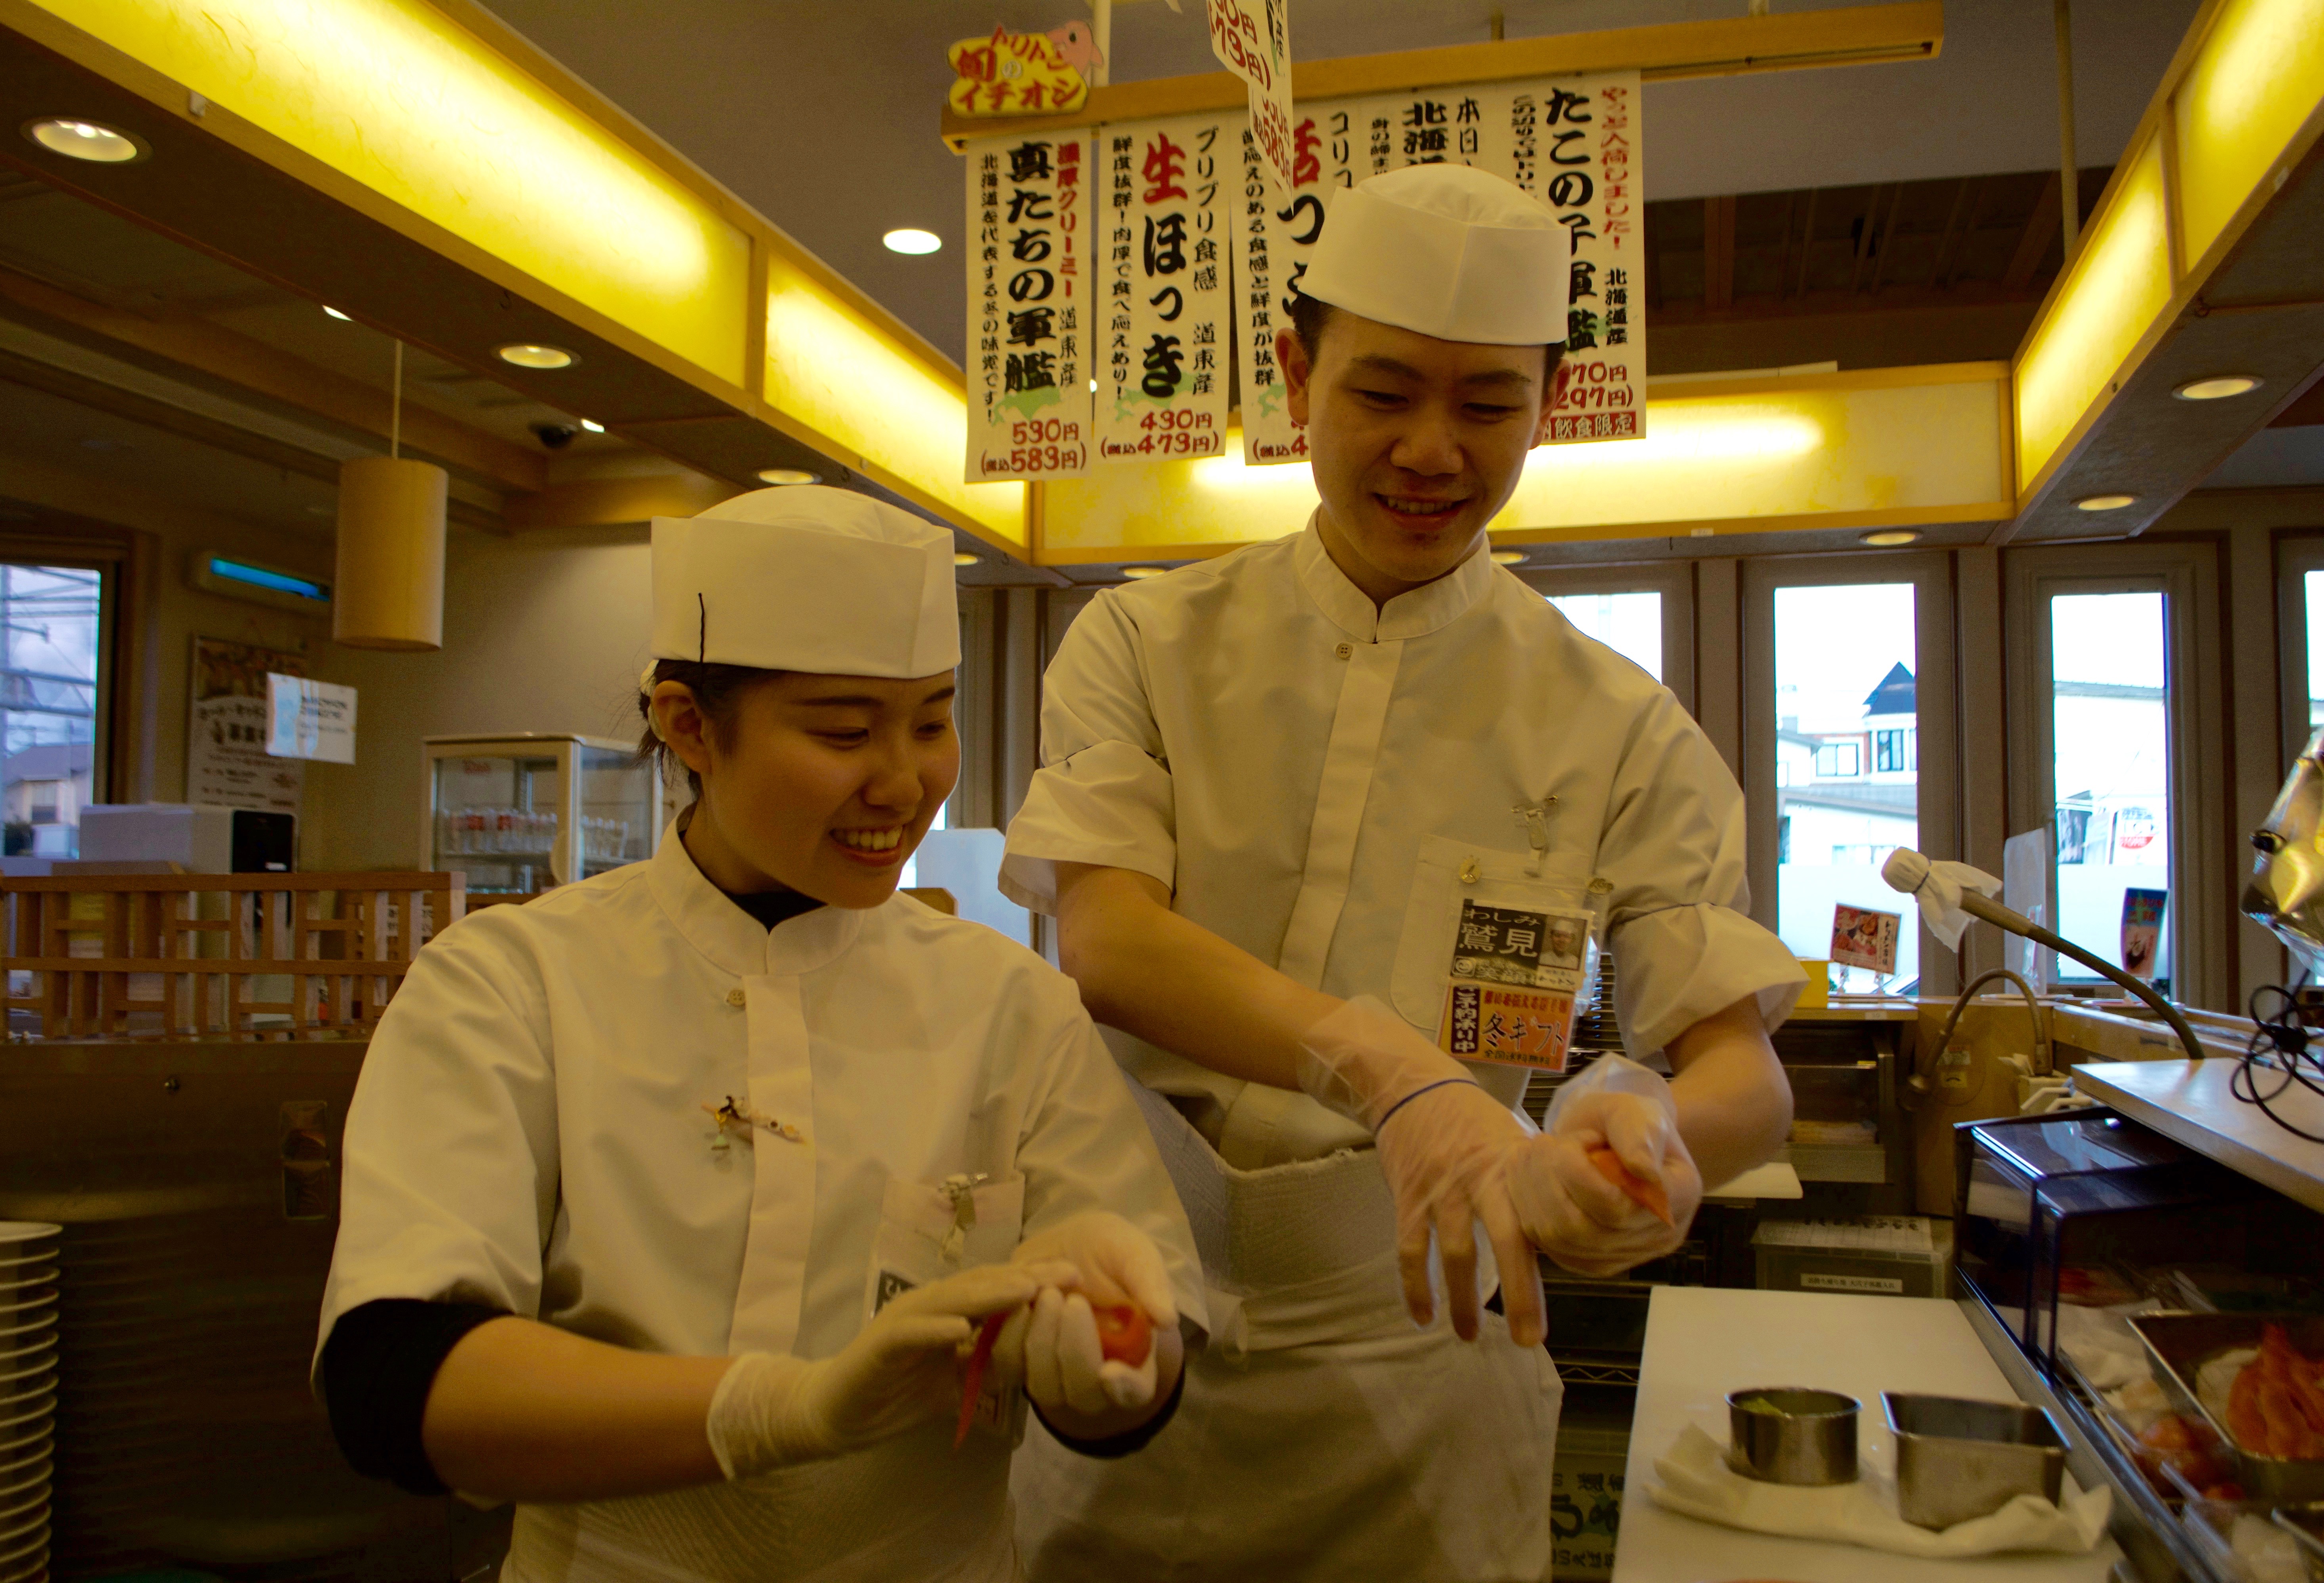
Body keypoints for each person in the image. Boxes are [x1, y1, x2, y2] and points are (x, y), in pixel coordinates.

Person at [1000, 164, 1805, 1580]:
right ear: (1295, 377)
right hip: (1128, 1307)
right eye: (1383, 393)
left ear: (1551, 405)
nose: (1431, 450)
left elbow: (1743, 1075)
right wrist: (1396, 1070)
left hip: (1428, 1337)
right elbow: (1111, 944)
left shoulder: (1617, 723)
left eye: (1487, 405)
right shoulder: (1144, 641)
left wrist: (1642, 1156)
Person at [316, 485, 1206, 1583]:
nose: (905, 781)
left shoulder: (1009, 1006)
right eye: (844, 732)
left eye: (933, 722)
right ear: (688, 725)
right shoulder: (511, 983)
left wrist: (1107, 1362)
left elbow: (1141, 1372)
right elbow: (397, 1381)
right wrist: (783, 1409)